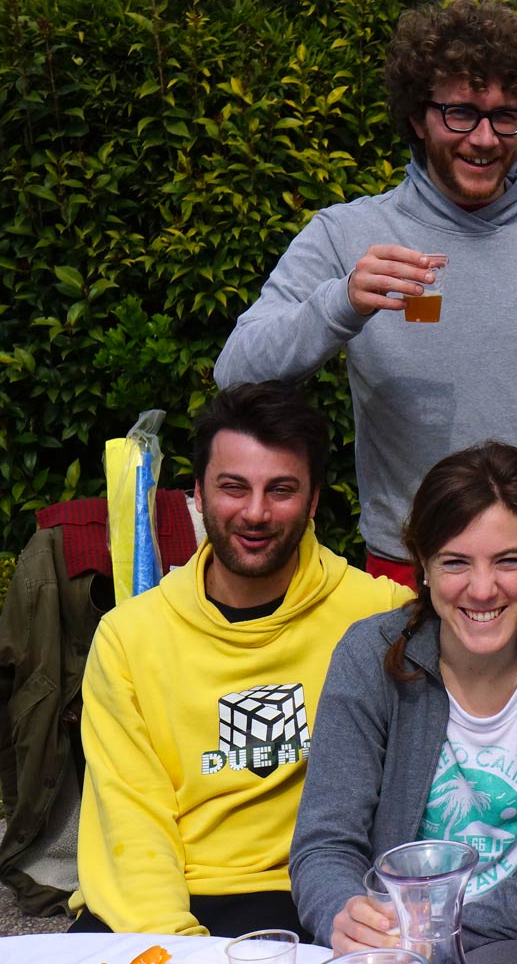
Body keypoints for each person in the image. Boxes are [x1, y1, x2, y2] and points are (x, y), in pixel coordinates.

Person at [215, 0, 517, 642]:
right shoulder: (348, 234)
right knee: (409, 746)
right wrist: (344, 303)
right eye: (460, 112)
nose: (483, 138)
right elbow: (236, 371)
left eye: (506, 117)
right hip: (405, 576)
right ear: (417, 116)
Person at [68, 382, 411, 937]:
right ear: (198, 494)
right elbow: (132, 820)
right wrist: (177, 944)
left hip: (314, 896)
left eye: (281, 490)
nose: (255, 512)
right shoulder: (129, 637)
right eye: (233, 488)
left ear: (314, 499)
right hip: (168, 893)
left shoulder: (380, 614)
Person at [290, 441, 517, 964]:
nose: (483, 588)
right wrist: (344, 910)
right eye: (455, 562)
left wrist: (433, 930)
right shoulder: (369, 657)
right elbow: (326, 843)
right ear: (422, 565)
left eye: (508, 560)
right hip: (390, 944)